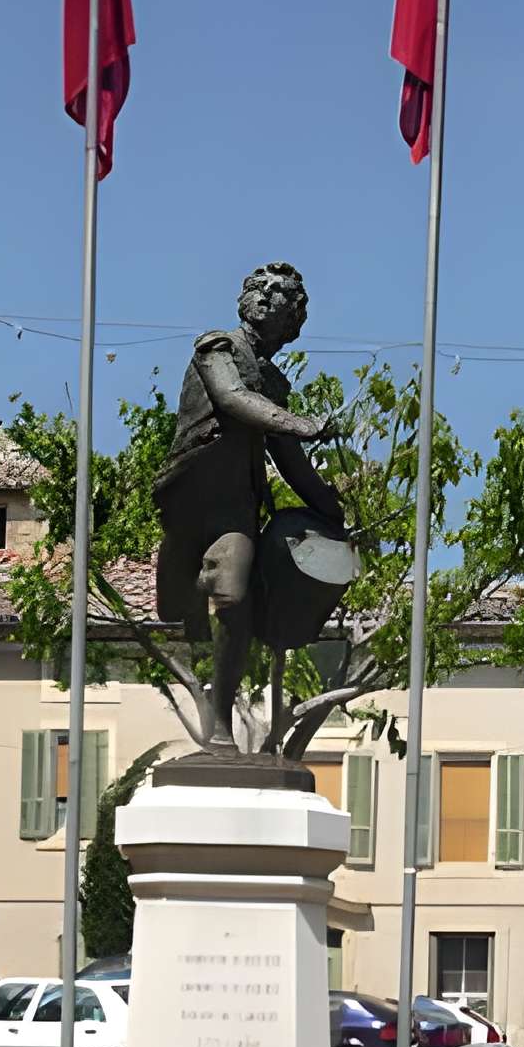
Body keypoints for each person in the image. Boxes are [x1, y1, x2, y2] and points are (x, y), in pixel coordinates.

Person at [153, 263, 352, 737]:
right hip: (190, 495)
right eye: (263, 296)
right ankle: (184, 600)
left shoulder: (276, 385)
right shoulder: (217, 348)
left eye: (280, 302)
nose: (266, 304)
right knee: (181, 604)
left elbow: (291, 462)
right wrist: (300, 422)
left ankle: (220, 723)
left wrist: (331, 507)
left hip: (235, 507)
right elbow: (234, 397)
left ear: (293, 322)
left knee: (235, 601)